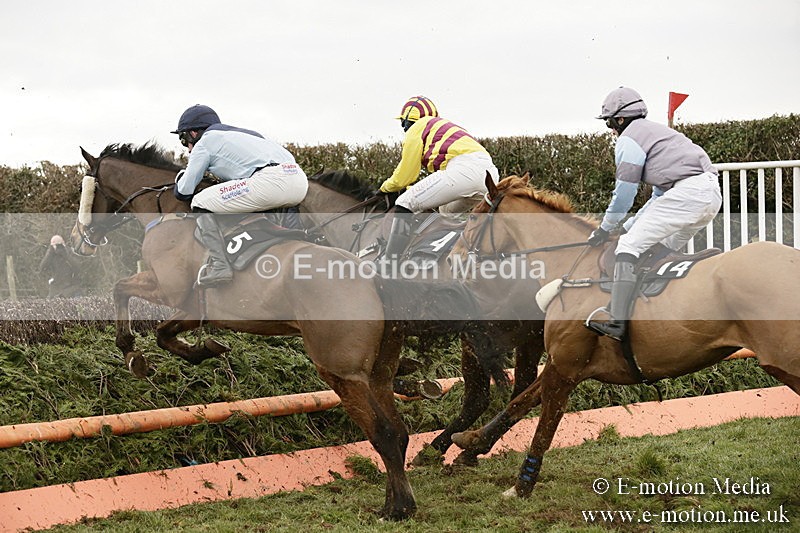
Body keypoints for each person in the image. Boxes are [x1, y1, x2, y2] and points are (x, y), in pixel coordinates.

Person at [585, 87, 722, 341]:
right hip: (710, 195)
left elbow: (624, 193)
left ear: (621, 119)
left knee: (627, 247)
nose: (611, 130)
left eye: (609, 123)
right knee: (656, 250)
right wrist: (629, 225)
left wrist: (605, 228)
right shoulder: (658, 134)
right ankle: (656, 311)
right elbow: (658, 197)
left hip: (689, 193)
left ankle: (617, 321)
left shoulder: (630, 139)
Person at [172, 104, 309, 286]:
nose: (188, 148)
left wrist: (180, 177)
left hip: (269, 181)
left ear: (193, 133)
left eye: (184, 140)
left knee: (199, 201)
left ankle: (220, 266)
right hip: (299, 180)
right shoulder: (248, 134)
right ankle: (293, 237)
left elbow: (184, 191)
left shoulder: (204, 142)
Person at [377, 96, 500, 259]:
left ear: (406, 120)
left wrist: (383, 188)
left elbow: (405, 176)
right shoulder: (447, 128)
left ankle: (389, 263)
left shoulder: (417, 128)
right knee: (443, 211)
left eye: (403, 123)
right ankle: (437, 253)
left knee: (404, 203)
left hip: (464, 170)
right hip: (490, 175)